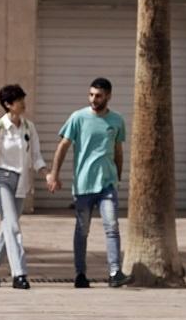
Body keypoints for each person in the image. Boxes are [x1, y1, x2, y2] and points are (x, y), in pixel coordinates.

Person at [46, 77, 130, 288]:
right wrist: (54, 174)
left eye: (99, 96)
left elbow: (118, 151)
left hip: (107, 185)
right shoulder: (78, 118)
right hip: (83, 184)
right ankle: (80, 274)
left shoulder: (117, 120)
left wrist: (118, 177)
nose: (94, 99)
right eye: (91, 95)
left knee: (112, 226)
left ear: (108, 96)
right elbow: (63, 146)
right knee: (82, 230)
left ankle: (114, 272)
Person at [0, 84, 47, 290]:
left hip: (21, 181)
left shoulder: (29, 127)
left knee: (8, 227)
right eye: (18, 100)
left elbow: (36, 156)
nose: (23, 103)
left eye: (23, 99)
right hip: (1, 181)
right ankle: (20, 274)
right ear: (8, 104)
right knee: (13, 227)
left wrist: (47, 174)